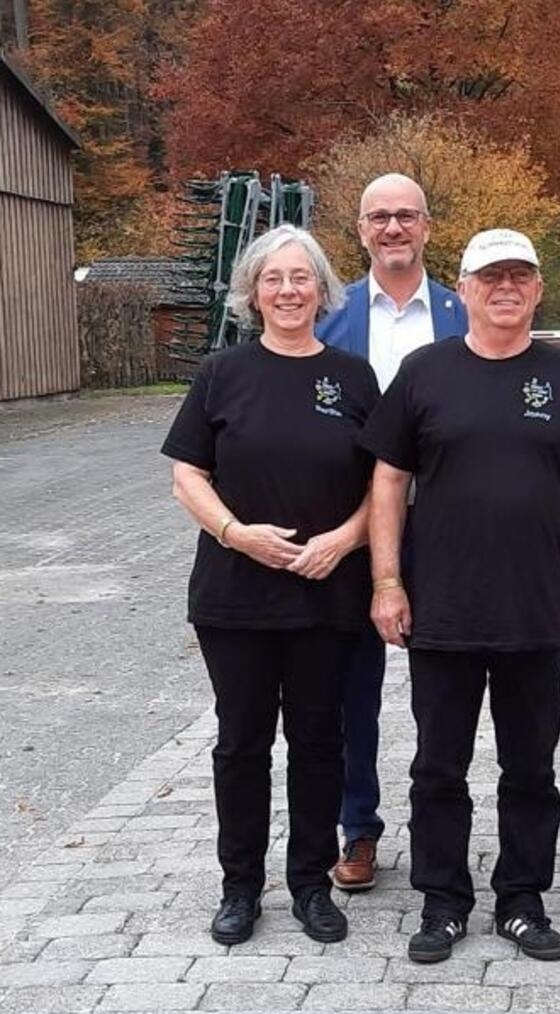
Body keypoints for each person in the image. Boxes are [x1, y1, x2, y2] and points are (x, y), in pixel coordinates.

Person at [359, 229, 560, 964]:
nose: (505, 288)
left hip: (534, 612)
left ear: (538, 289)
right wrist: (386, 580)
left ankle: (521, 899)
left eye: (519, 277)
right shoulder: (423, 372)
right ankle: (443, 902)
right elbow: (386, 482)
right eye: (490, 277)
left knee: (530, 769)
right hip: (441, 611)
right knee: (438, 768)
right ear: (464, 289)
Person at [162, 225, 379, 946]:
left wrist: (345, 540)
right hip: (235, 595)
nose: (288, 290)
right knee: (241, 744)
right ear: (253, 293)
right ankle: (240, 889)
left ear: (323, 290)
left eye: (301, 277)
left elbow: (386, 482)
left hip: (326, 592)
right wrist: (236, 533)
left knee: (320, 741)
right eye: (273, 279)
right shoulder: (222, 373)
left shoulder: (353, 377)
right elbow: (187, 473)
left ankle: (312, 885)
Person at [316, 172, 467, 893]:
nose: (394, 228)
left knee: (447, 695)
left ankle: (446, 830)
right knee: (353, 695)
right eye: (379, 217)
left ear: (428, 227)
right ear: (361, 229)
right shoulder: (329, 314)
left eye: (407, 216)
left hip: (449, 535)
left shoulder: (463, 312)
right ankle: (359, 828)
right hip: (352, 533)